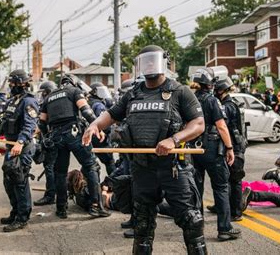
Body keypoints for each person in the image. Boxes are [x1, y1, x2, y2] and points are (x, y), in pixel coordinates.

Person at [83, 45, 207, 254]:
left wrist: (174, 140)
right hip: (142, 169)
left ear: (162, 62)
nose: (149, 64)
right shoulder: (133, 94)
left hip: (173, 168)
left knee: (191, 221)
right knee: (142, 224)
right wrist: (95, 125)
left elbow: (198, 124)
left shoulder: (179, 91)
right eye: (145, 61)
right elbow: (111, 115)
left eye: (153, 60)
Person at [39, 74, 110, 219]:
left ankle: (61, 208)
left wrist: (48, 137)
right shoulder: (74, 91)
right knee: (91, 166)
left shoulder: (49, 97)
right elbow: (86, 110)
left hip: (56, 137)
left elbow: (41, 122)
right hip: (74, 133)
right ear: (74, 83)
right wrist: (98, 129)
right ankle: (96, 206)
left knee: (60, 173)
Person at [188, 68, 240, 242]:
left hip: (193, 149)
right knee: (221, 187)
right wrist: (230, 148)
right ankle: (224, 229)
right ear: (210, 83)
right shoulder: (212, 101)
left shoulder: (189, 99)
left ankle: (197, 227)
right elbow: (222, 127)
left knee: (196, 188)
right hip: (212, 149)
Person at [0, 69, 39, 232]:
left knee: (19, 182)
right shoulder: (13, 101)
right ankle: (15, 211)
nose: (10, 85)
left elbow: (30, 125)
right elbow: (5, 121)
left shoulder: (28, 101)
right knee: (8, 181)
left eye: (13, 83)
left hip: (22, 147)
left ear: (22, 84)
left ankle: (22, 217)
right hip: (11, 146)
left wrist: (20, 142)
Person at [210, 75, 248, 222]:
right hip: (234, 144)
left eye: (216, 89)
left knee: (235, 179)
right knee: (224, 178)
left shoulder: (228, 106)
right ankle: (222, 206)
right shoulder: (230, 103)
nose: (214, 91)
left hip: (235, 146)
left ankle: (236, 211)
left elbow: (221, 125)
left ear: (222, 90)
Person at [33, 80, 58, 206]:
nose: (42, 95)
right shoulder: (57, 102)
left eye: (43, 93)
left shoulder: (49, 103)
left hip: (51, 140)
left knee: (50, 168)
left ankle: (50, 196)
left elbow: (43, 124)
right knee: (58, 168)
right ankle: (58, 192)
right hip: (56, 139)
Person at [88, 82, 116, 175]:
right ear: (96, 92)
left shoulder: (88, 102)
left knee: (90, 164)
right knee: (109, 161)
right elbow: (105, 124)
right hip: (100, 137)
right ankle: (114, 184)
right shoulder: (98, 105)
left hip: (88, 136)